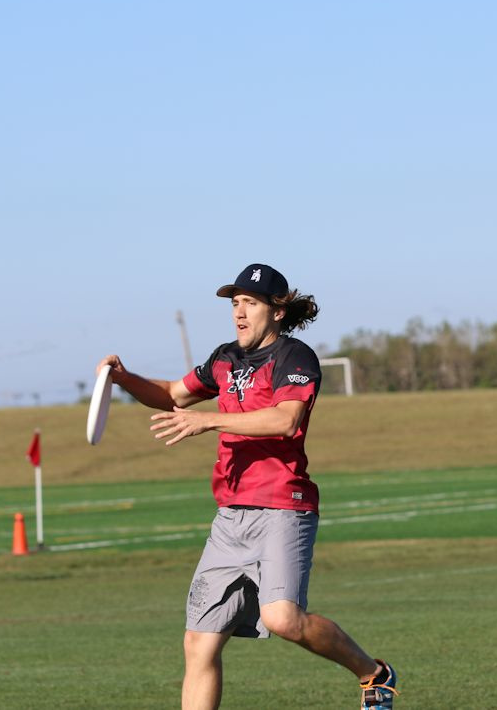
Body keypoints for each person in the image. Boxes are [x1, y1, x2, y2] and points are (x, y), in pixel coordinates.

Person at [98, 263, 398, 710]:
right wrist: (124, 379)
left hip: (283, 508)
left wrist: (209, 420)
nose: (239, 312)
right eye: (235, 303)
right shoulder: (224, 358)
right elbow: (173, 394)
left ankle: (373, 673)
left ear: (277, 311)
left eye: (250, 303)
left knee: (283, 619)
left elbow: (285, 419)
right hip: (230, 516)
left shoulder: (295, 357)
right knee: (199, 641)